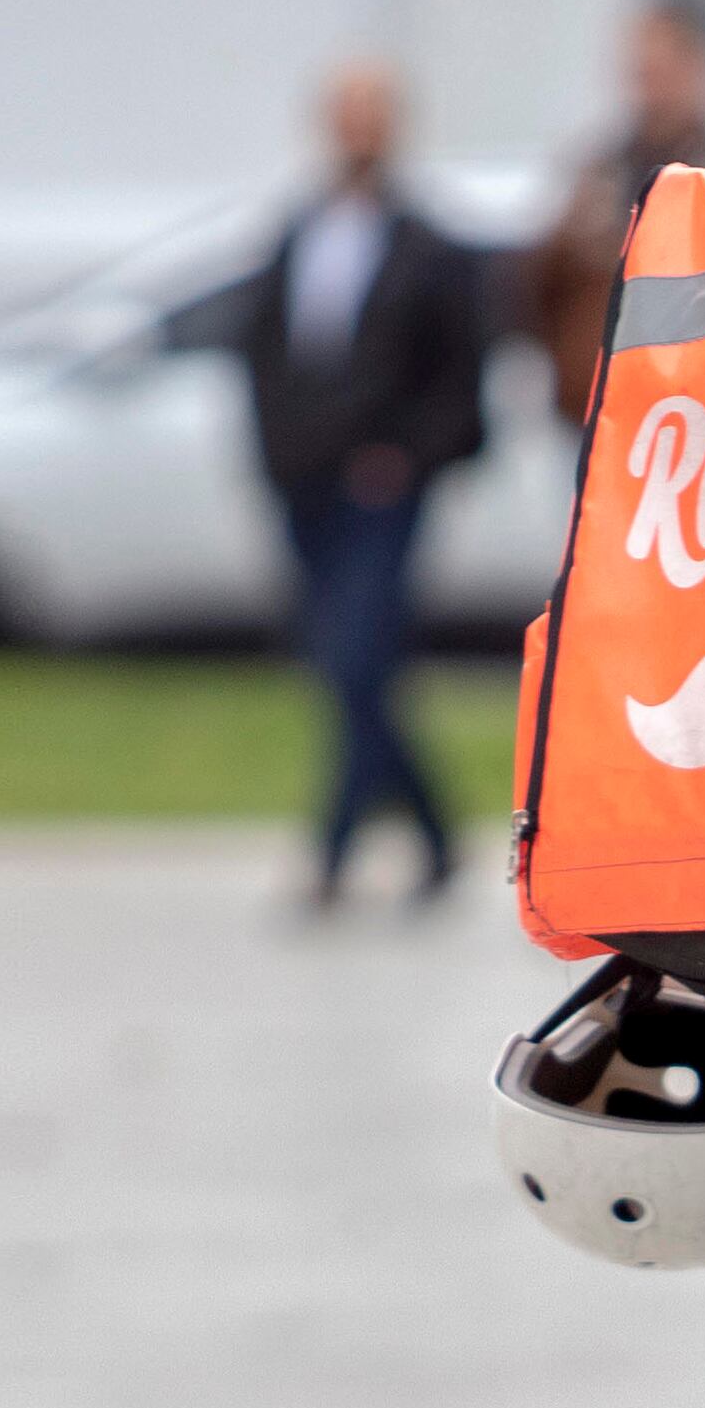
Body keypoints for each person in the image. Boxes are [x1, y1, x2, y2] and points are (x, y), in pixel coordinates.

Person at [212, 60, 485, 907]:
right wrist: (273, 451)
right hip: (305, 481)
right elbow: (262, 352)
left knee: (360, 656)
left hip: (380, 487)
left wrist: (408, 453)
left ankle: (332, 852)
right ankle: (435, 834)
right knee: (340, 663)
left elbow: (460, 377)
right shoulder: (296, 232)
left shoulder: (429, 246)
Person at [527, 0, 705, 422]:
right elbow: (546, 279)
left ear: (700, 62)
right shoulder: (599, 162)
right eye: (638, 65)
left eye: (661, 64)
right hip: (603, 398)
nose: (646, 79)